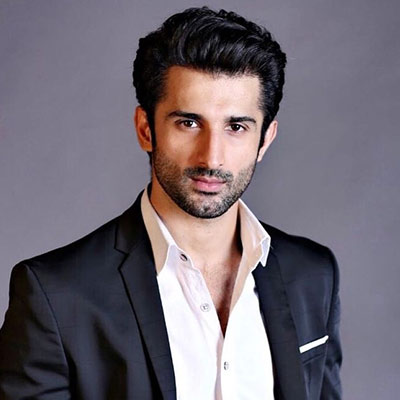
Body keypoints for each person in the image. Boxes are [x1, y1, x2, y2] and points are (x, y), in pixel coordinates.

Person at [0, 6, 342, 400]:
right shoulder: (56, 295)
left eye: (236, 127)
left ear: (265, 139)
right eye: (189, 123)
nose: (212, 157)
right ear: (146, 129)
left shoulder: (313, 274)